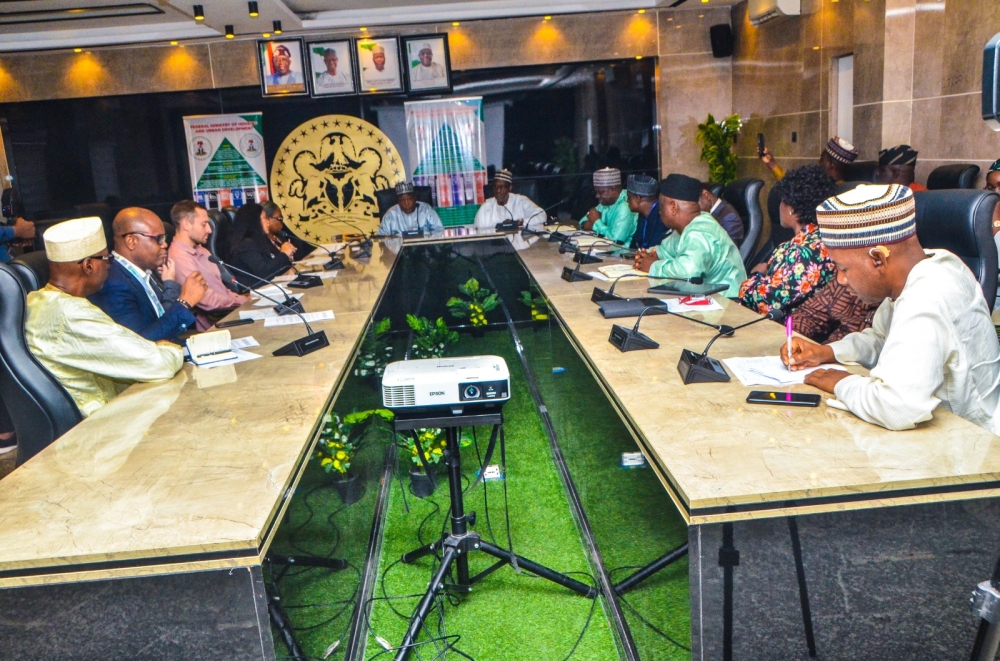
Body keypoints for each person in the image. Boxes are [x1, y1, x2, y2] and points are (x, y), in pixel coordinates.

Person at [782, 183, 1000, 433]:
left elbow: (898, 407)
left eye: (843, 269)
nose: (841, 280)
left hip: (974, 444)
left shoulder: (927, 295)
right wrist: (826, 351)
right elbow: (883, 340)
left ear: (878, 259)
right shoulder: (932, 265)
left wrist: (843, 383)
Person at [25, 217, 183, 418]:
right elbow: (160, 364)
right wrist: (166, 347)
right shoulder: (72, 314)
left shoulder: (37, 300)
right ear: (88, 266)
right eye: (107, 259)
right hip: (101, 426)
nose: (110, 266)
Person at [88, 207, 206, 344]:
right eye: (158, 239)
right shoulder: (113, 283)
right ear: (131, 241)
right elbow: (140, 343)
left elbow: (161, 318)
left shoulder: (146, 270)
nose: (165, 244)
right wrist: (185, 302)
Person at [739, 166, 838, 315]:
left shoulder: (809, 252)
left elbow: (767, 302)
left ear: (792, 208)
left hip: (788, 332)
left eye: (782, 201)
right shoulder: (817, 241)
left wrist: (756, 276)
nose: (779, 206)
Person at [633, 174, 747, 295]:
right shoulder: (686, 227)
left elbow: (688, 271)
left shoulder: (700, 231)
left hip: (728, 304)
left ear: (673, 207)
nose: (659, 212)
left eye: (661, 207)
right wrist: (645, 257)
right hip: (707, 299)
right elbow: (665, 251)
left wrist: (653, 266)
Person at [168, 200, 249, 330]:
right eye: (204, 224)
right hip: (217, 325)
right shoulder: (179, 258)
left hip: (231, 313)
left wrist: (245, 298)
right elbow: (208, 301)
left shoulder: (203, 250)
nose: (210, 230)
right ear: (186, 225)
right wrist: (244, 301)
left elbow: (221, 289)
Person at [228, 202, 311, 287]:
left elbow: (273, 265)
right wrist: (284, 254)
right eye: (265, 218)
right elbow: (265, 273)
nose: (268, 222)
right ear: (255, 221)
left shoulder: (259, 240)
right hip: (256, 293)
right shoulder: (246, 245)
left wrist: (286, 258)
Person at [761, 136, 858, 183]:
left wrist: (771, 163)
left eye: (822, 159)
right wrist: (771, 162)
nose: (818, 162)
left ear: (831, 165)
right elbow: (790, 182)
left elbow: (790, 184)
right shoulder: (820, 182)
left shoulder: (825, 190)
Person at [579, 167, 637, 245]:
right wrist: (594, 224)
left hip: (618, 254)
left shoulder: (625, 206)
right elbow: (582, 222)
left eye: (601, 192)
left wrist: (597, 222)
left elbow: (616, 240)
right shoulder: (606, 203)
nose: (597, 196)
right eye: (596, 192)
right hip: (601, 250)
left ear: (613, 190)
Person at [473, 169, 545, 231]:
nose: (498, 190)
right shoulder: (485, 208)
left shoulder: (520, 201)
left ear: (510, 188)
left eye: (502, 187)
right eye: (496, 186)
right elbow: (477, 231)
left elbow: (542, 215)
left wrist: (518, 223)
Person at [377, 182, 444, 236]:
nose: (406, 203)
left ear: (415, 198)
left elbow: (439, 230)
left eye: (410, 199)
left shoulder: (426, 210)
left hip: (425, 250)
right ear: (398, 201)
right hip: (398, 251)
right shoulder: (390, 214)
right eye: (402, 201)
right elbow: (382, 238)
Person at [626, 174, 666, 250]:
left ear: (638, 198)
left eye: (628, 197)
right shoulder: (642, 215)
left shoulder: (662, 215)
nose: (627, 201)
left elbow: (655, 248)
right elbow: (634, 245)